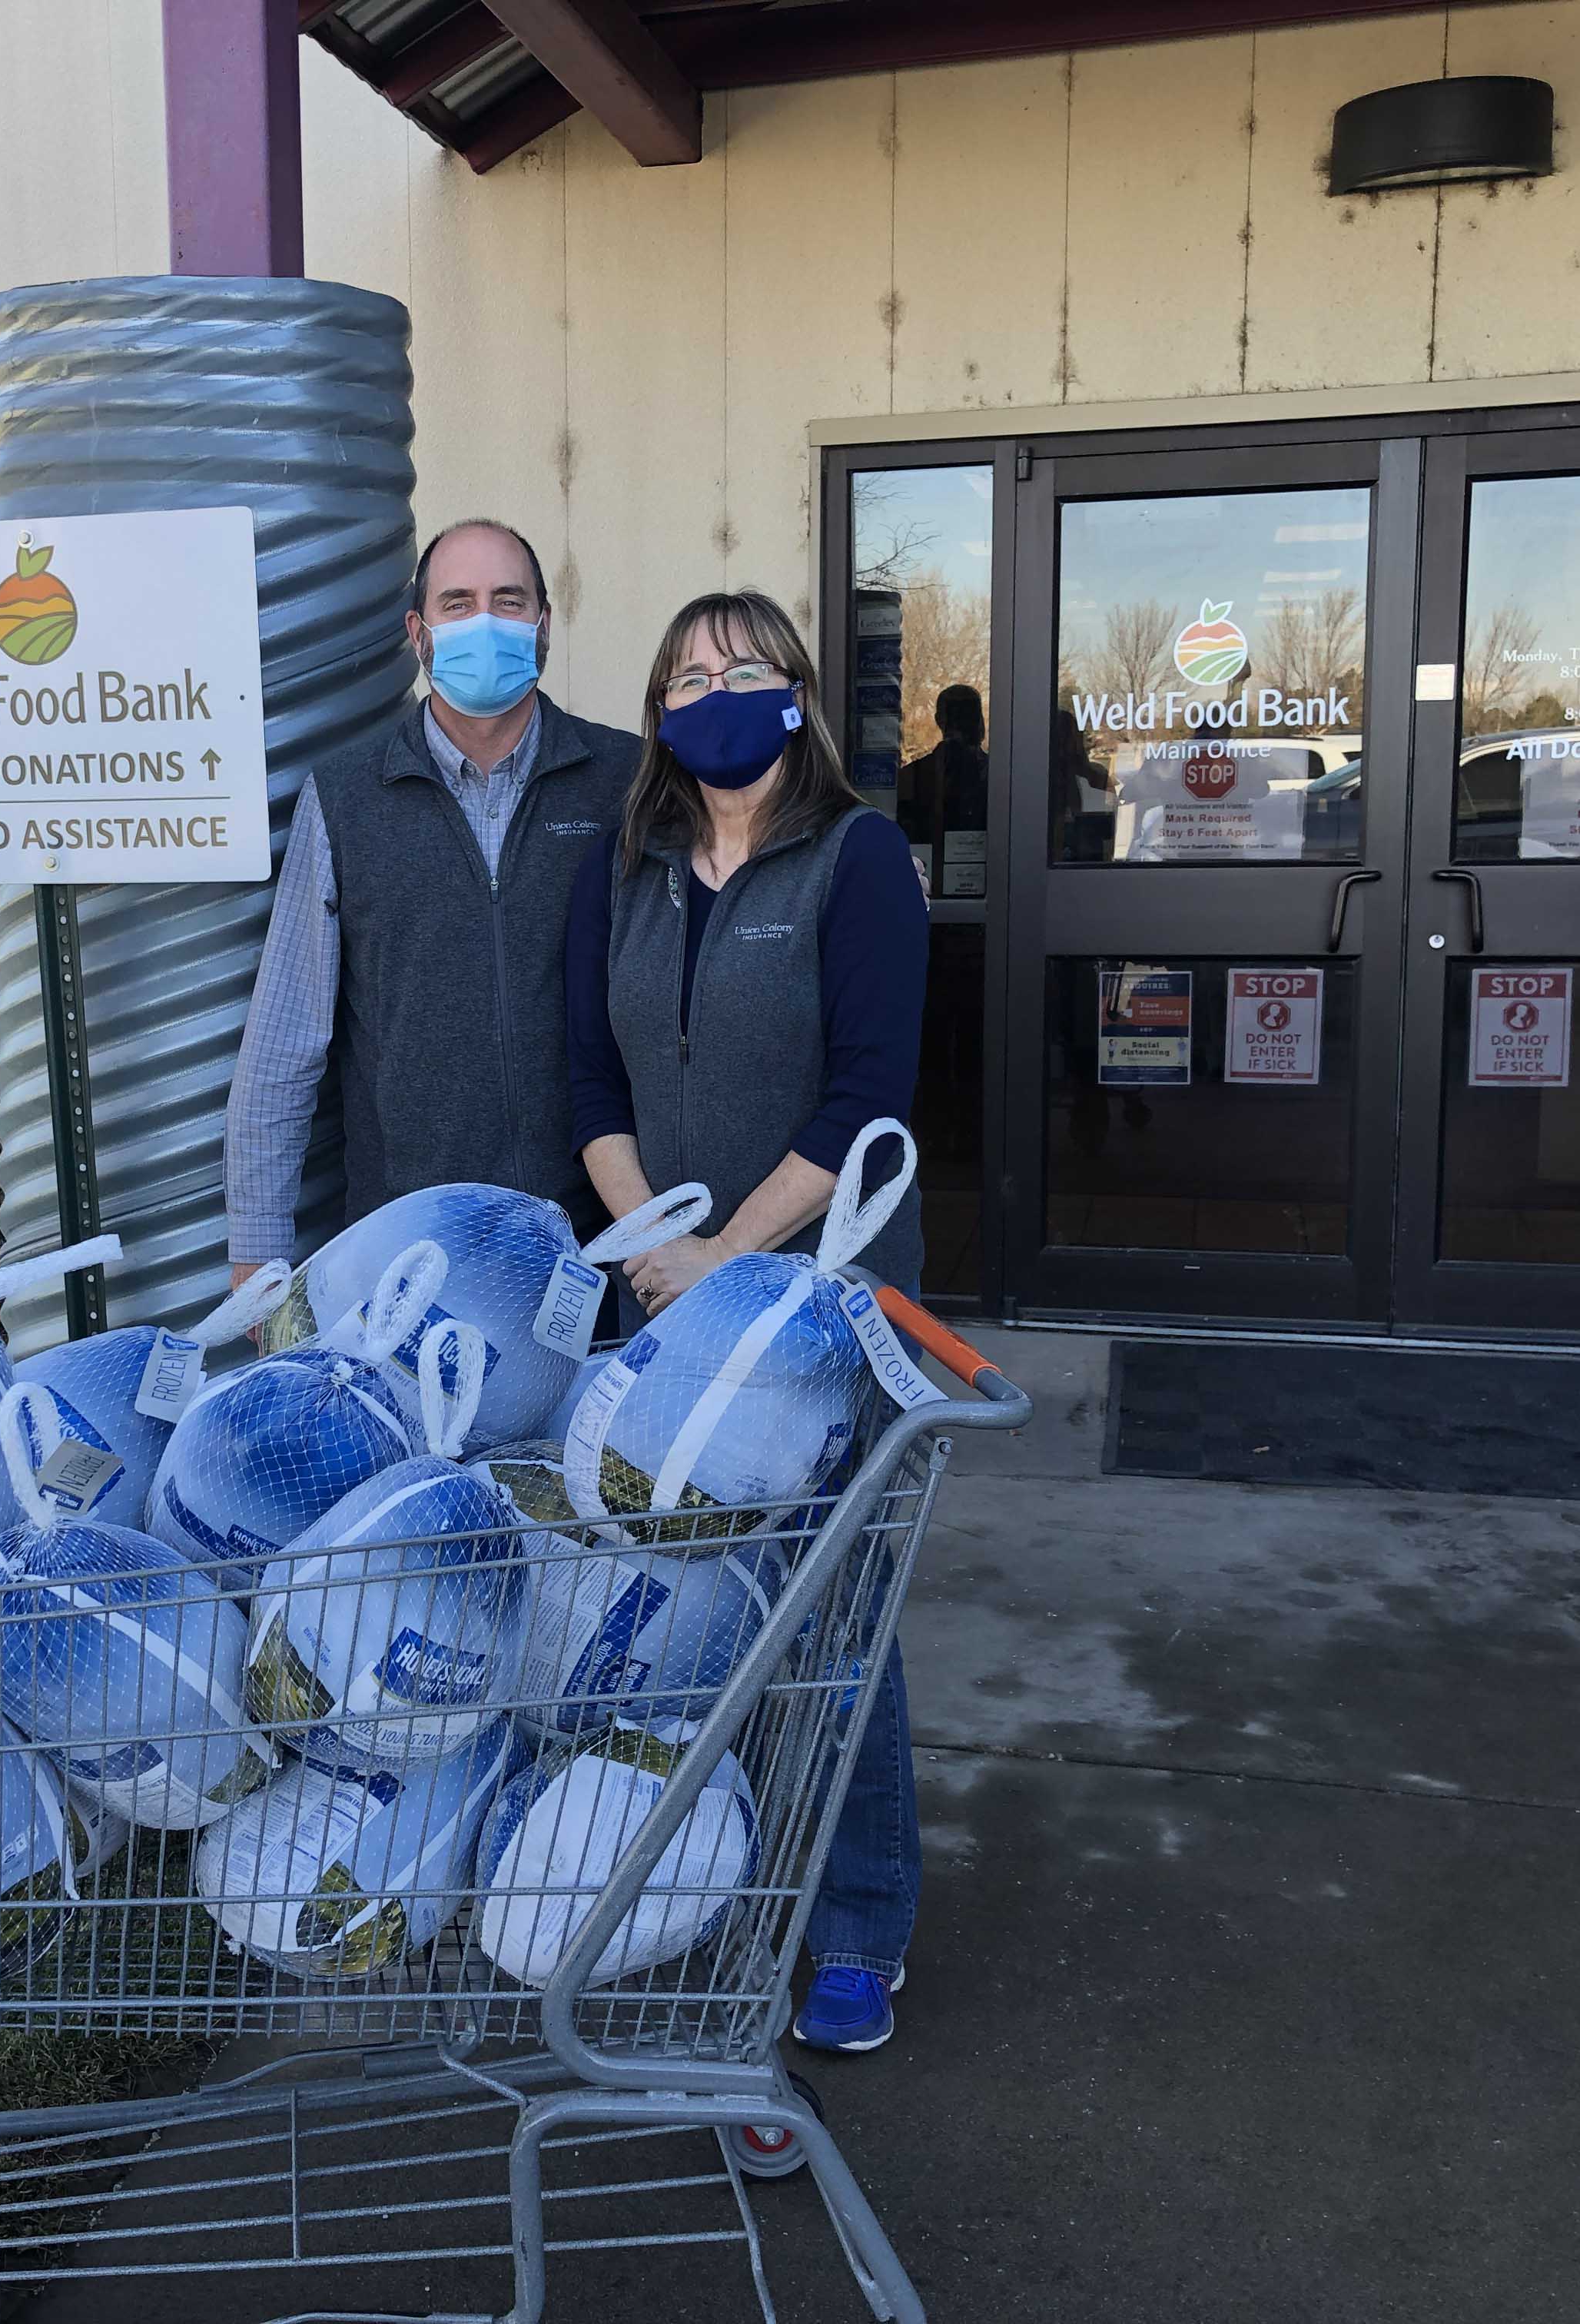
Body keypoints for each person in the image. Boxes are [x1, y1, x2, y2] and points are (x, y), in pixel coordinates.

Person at [563, 587, 930, 2056]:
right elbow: (589, 1083)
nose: (714, 691)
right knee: (683, 1598)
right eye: (686, 673)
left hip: (824, 1309)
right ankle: (709, 1886)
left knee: (832, 1609)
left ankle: (854, 1924)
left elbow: (867, 1094)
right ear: (656, 707)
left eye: (744, 668)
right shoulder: (628, 864)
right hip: (663, 1302)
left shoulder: (855, 862)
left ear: (795, 693)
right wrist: (654, 1248)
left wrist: (728, 1257)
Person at [224, 520, 639, 1288]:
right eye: (458, 603)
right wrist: (256, 1256)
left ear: (544, 625)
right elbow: (286, 1043)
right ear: (419, 632)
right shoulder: (347, 799)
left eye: (508, 601)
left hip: (596, 1246)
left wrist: (859, 857)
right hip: (407, 1250)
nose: (485, 622)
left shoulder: (624, 780)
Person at [900, 682, 988, 898]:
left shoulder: (911, 777)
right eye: (962, 717)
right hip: (931, 884)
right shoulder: (1002, 778)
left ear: (939, 721)